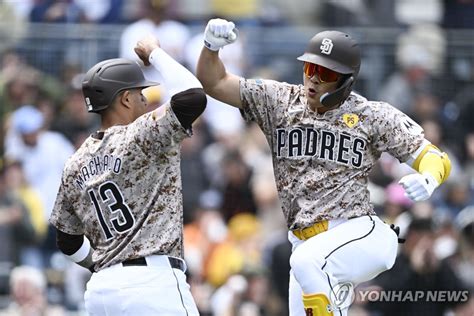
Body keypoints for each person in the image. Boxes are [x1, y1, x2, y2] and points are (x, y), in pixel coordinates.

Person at [196, 18, 452, 316]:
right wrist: (211, 47)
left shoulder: (370, 115)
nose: (314, 79)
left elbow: (435, 157)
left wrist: (430, 179)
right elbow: (213, 82)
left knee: (307, 262)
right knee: (306, 269)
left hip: (358, 232)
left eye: (325, 72)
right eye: (310, 68)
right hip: (304, 245)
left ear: (346, 79)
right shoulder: (279, 101)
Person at [49, 35, 206, 315]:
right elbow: (193, 95)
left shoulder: (74, 162)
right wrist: (155, 53)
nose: (145, 101)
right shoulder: (141, 134)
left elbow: (67, 241)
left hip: (102, 292)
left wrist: (99, 264)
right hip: (153, 284)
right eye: (139, 94)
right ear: (124, 99)